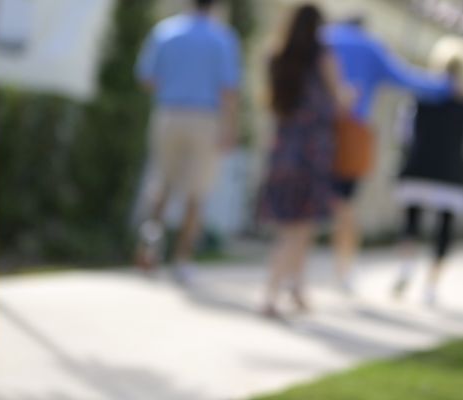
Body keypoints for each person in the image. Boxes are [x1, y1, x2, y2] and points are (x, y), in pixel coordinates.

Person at [323, 15, 454, 294]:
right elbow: (405, 78)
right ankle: (343, 270)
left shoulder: (323, 38)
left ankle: (296, 277)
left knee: (305, 209)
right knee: (345, 205)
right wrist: (447, 86)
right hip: (352, 134)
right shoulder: (369, 46)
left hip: (313, 129)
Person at [134, 0, 242, 285]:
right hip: (206, 119)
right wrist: (230, 128)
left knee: (161, 184)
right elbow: (229, 89)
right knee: (197, 193)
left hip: (168, 114)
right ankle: (182, 260)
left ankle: (150, 249)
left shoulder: (165, 31)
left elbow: (147, 78)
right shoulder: (223, 38)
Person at [259, 3, 351, 318]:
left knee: (295, 225)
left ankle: (296, 289)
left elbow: (272, 103)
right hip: (313, 149)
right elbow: (339, 100)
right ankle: (271, 295)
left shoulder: (276, 55)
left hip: (284, 148)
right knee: (297, 227)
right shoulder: (322, 55)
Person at [391, 38, 463, 307]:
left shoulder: (420, 95)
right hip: (451, 169)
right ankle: (431, 286)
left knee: (411, 220)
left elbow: (404, 133)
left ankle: (406, 268)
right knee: (445, 228)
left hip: (419, 164)